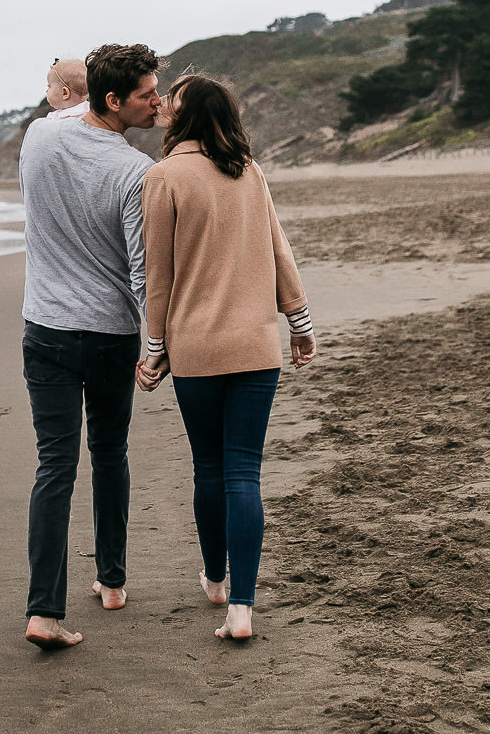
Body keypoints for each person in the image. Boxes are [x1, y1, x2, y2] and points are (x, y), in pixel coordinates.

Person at [136, 74, 315, 642]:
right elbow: (278, 247)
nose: (162, 104)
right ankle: (241, 608)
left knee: (210, 469)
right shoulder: (250, 171)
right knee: (244, 472)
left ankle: (215, 578)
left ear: (188, 115)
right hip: (257, 347)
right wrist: (300, 321)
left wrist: (155, 348)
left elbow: (157, 276)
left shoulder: (163, 178)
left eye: (173, 99)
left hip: (196, 348)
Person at [19, 43, 163, 649]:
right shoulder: (135, 171)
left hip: (45, 329)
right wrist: (155, 343)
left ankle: (44, 613)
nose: (156, 102)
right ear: (112, 100)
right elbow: (140, 269)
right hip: (108, 335)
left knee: (55, 467)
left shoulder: (37, 138)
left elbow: (61, 100)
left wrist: (67, 86)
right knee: (110, 455)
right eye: (145, 94)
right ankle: (110, 582)